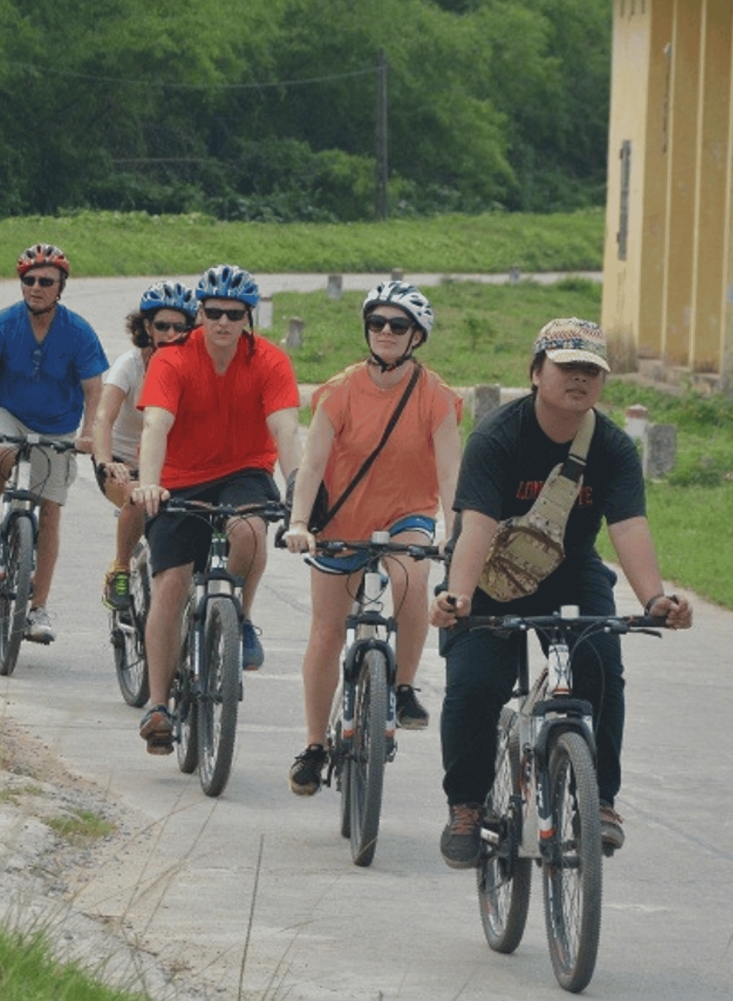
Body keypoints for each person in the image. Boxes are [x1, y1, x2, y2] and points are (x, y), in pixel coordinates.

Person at [429, 318, 693, 868]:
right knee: (476, 683)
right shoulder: (497, 437)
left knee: (600, 665)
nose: (579, 378)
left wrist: (654, 601)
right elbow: (473, 525)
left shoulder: (614, 448)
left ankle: (604, 803)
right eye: (567, 366)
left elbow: (628, 527)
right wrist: (458, 599)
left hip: (569, 574)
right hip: (488, 575)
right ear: (535, 373)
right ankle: (467, 807)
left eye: (591, 370)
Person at [280, 281, 462, 796]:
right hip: (342, 523)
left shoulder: (438, 398)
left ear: (416, 337)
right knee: (326, 630)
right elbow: (312, 464)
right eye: (377, 323)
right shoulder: (338, 392)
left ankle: (403, 688)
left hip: (408, 516)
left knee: (412, 577)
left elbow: (451, 475)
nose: (385, 332)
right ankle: (315, 745)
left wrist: (458, 535)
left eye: (398, 325)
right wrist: (298, 524)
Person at [130, 264, 303, 755]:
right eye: (212, 313)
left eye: (234, 314)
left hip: (244, 469)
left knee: (249, 529)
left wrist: (296, 489)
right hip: (177, 478)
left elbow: (286, 429)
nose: (223, 323)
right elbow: (156, 427)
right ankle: (159, 704)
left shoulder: (270, 361)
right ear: (198, 314)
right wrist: (148, 484)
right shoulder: (173, 359)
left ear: (249, 317)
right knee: (171, 582)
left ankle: (240, 619)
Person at [0, 243, 108, 643]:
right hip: (4, 411)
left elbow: (95, 389)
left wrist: (89, 433)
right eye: (29, 280)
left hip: (57, 424)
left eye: (46, 281)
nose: (36, 287)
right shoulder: (3, 324)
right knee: (1, 453)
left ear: (61, 286)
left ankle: (37, 607)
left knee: (51, 510)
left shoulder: (78, 331)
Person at [91, 281, 197, 610]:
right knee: (138, 498)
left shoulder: (195, 367)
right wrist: (106, 461)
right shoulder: (130, 365)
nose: (170, 334)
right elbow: (103, 419)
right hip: (125, 463)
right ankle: (120, 568)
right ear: (147, 327)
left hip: (174, 467)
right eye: (162, 325)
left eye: (180, 327)